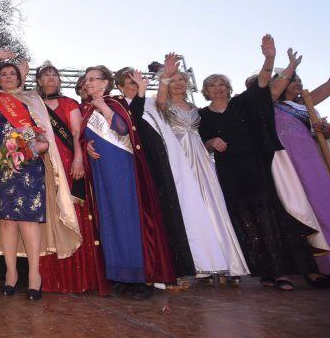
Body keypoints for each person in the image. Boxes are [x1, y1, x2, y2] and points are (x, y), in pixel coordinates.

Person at [198, 35, 317, 291]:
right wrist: (210, 142)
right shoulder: (201, 115)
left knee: (268, 218)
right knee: (246, 222)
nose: (217, 88)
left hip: (256, 168)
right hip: (229, 174)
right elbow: (201, 142)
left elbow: (266, 86)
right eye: (212, 85)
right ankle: (264, 272)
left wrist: (270, 58)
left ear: (228, 88)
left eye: (221, 84)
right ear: (205, 91)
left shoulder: (242, 103)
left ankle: (282, 272)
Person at [0, 50, 80, 301]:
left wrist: (40, 146)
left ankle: (35, 276)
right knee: (6, 220)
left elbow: (43, 135)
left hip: (29, 167)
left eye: (12, 73)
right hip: (0, 167)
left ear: (20, 78)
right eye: (3, 74)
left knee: (28, 220)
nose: (7, 76)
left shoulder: (31, 99)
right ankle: (11, 273)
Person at [79, 65, 174, 299]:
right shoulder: (85, 109)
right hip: (101, 173)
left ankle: (140, 279)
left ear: (105, 82)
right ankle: (119, 275)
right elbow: (82, 138)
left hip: (123, 170)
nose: (89, 82)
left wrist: (102, 106)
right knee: (108, 221)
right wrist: (86, 145)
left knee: (128, 220)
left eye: (94, 78)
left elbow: (122, 130)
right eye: (87, 79)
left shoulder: (116, 103)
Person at [152, 60, 249, 282]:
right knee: (189, 205)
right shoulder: (163, 106)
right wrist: (165, 76)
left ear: (187, 84)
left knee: (212, 204)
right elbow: (159, 101)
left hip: (201, 158)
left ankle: (225, 261)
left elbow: (205, 137)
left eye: (182, 80)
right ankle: (199, 264)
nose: (178, 84)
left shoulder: (197, 110)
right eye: (174, 80)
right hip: (178, 157)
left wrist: (210, 143)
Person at [114, 67, 196, 286]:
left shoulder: (152, 102)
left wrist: (165, 76)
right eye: (130, 82)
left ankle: (178, 268)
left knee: (173, 214)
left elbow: (161, 98)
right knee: (157, 219)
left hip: (167, 162)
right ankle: (160, 272)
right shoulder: (121, 107)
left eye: (138, 81)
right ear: (120, 86)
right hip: (146, 167)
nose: (135, 85)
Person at [36, 62, 109, 295]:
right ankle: (51, 279)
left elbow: (77, 133)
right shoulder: (33, 104)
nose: (51, 79)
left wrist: (78, 159)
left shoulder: (70, 103)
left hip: (68, 162)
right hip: (42, 164)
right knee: (48, 215)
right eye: (46, 76)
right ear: (38, 81)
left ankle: (79, 277)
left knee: (73, 213)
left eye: (54, 75)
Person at [271, 54, 330, 279]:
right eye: (292, 79)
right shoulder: (271, 105)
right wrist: (289, 66)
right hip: (288, 164)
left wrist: (325, 130)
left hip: (314, 160)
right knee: (304, 209)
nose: (297, 82)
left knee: (323, 203)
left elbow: (326, 88)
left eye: (299, 79)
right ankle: (315, 267)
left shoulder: (304, 106)